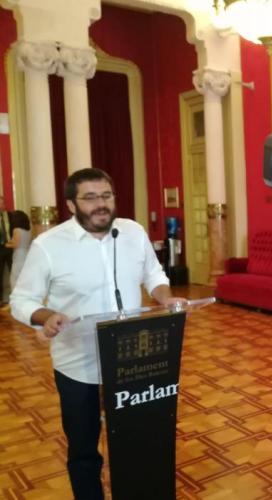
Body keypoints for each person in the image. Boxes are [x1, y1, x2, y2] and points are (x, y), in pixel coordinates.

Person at [10, 168, 186, 500]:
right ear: (71, 204)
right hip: (78, 366)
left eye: (106, 196)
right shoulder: (49, 245)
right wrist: (46, 316)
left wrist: (164, 297)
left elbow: (153, 273)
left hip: (134, 362)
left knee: (137, 441)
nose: (100, 204)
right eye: (90, 198)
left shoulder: (132, 232)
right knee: (84, 450)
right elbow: (22, 300)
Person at [5, 210, 31, 291]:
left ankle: (16, 295)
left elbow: (16, 244)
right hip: (26, 254)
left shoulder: (16, 230)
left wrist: (6, 245)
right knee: (25, 278)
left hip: (19, 255)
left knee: (15, 278)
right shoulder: (28, 231)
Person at [0, 195, 14, 303]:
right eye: (0, 203)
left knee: (13, 272)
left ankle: (14, 296)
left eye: (2, 203)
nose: (2, 205)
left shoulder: (9, 215)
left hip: (10, 247)